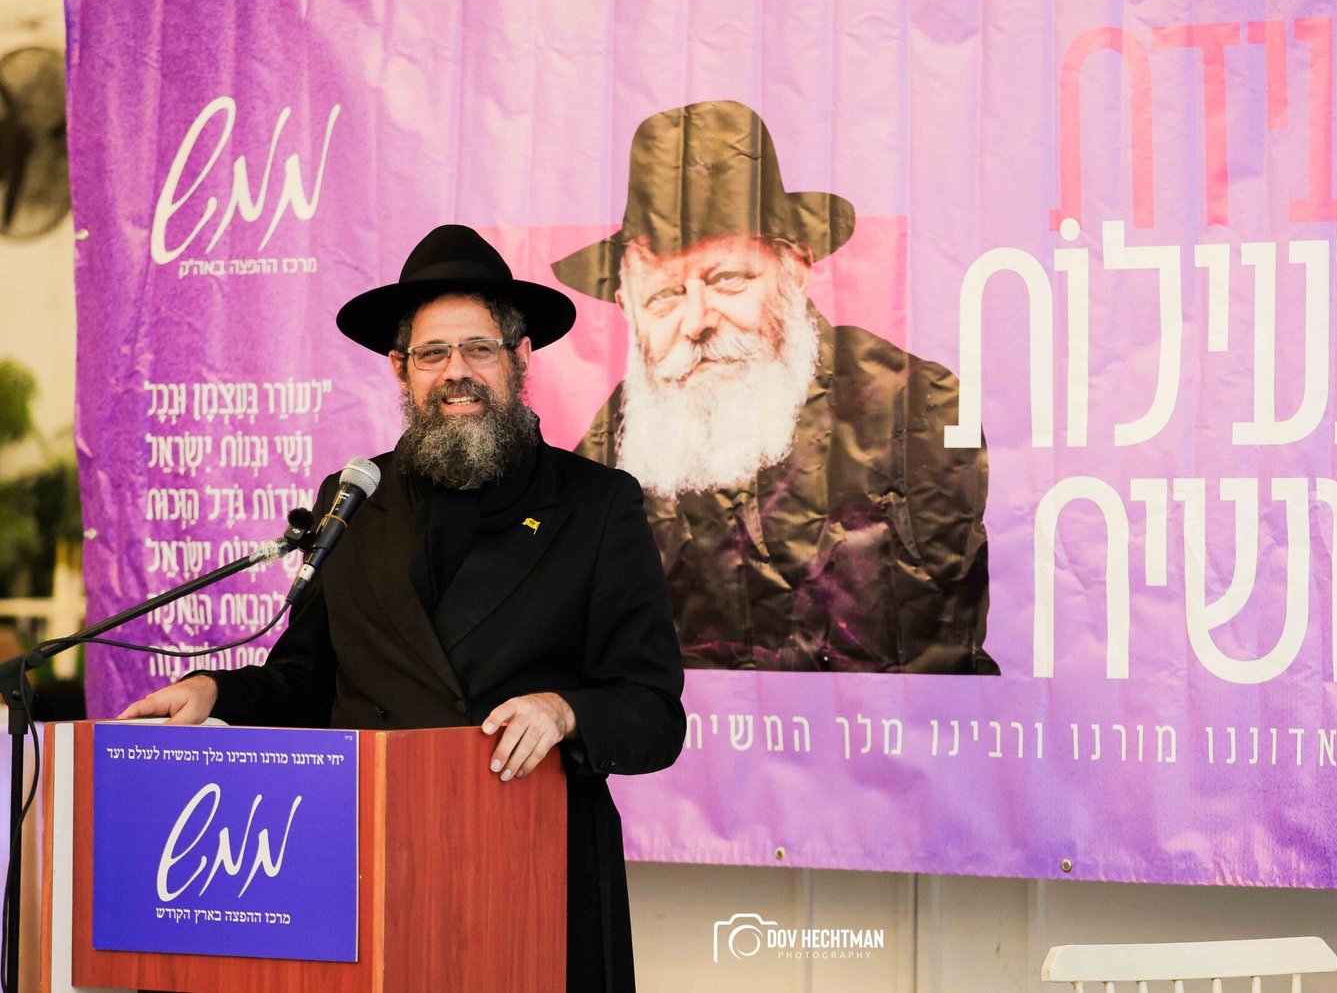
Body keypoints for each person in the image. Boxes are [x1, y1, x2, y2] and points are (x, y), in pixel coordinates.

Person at [120, 224, 686, 993]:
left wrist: (564, 711)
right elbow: (307, 679)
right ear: (400, 369)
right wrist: (216, 692)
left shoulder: (596, 505)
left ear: (520, 358)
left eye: (479, 349)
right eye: (432, 354)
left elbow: (653, 711)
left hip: (530, 873)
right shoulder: (355, 498)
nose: (457, 372)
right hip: (370, 867)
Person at [551, 100, 997, 674]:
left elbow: (906, 641)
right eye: (663, 296)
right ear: (627, 308)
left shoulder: (915, 406)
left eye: (727, 279)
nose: (696, 322)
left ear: (796, 268)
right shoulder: (605, 450)